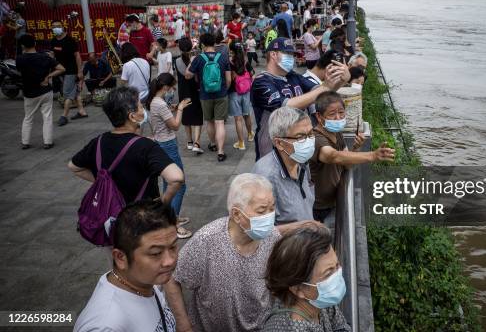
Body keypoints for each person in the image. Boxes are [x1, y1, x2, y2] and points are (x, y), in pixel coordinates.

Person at [165, 173, 320, 332]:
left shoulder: (271, 237)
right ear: (237, 214)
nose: (269, 216)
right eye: (261, 211)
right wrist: (183, 323)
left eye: (272, 208)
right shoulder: (206, 241)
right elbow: (172, 277)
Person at [74, 200, 178, 332]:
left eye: (173, 247)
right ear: (120, 258)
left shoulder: (145, 280)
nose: (169, 261)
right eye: (156, 253)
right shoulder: (105, 326)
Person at [69, 86, 184, 205]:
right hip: (143, 214)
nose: (143, 110)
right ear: (132, 117)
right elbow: (176, 178)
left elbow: (74, 167)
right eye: (140, 107)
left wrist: (109, 183)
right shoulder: (146, 146)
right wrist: (163, 203)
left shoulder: (98, 142)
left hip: (112, 213)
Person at [250, 37, 348, 160]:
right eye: (288, 54)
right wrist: (325, 87)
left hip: (297, 144)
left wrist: (342, 80)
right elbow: (285, 107)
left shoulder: (293, 76)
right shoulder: (261, 82)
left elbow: (320, 93)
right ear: (273, 54)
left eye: (293, 54)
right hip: (272, 149)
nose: (292, 58)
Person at [310, 92, 395, 225]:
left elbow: (346, 164)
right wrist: (372, 155)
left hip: (333, 200)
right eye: (332, 114)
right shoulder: (316, 138)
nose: (338, 117)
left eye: (341, 112)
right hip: (318, 207)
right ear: (319, 117)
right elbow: (332, 156)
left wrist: (356, 148)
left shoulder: (336, 133)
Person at [263, 226, 351, 331]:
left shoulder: (318, 300)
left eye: (337, 265)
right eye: (328, 273)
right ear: (298, 289)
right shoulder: (290, 327)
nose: (337, 275)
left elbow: (341, 327)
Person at [145, 72, 193, 239]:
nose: (173, 90)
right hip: (168, 145)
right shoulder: (159, 104)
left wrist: (171, 108)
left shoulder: (155, 101)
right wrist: (179, 109)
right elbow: (175, 126)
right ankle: (174, 223)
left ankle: (170, 217)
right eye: (172, 87)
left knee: (169, 183)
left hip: (162, 143)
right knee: (179, 184)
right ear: (165, 87)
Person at [252, 106, 316, 224]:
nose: (309, 141)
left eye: (311, 134)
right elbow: (262, 230)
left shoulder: (301, 161)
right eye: (300, 137)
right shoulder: (266, 178)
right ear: (279, 143)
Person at [185, 33, 232, 162]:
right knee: (220, 122)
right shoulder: (222, 57)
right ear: (214, 43)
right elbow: (228, 80)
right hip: (221, 93)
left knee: (210, 121)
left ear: (203, 44)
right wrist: (224, 90)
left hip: (205, 95)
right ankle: (221, 151)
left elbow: (187, 75)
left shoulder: (199, 58)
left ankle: (212, 143)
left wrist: (192, 61)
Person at [15, 34, 65, 150]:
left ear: (22, 46)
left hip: (29, 93)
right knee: (47, 117)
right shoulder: (45, 57)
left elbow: (19, 70)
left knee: (28, 117)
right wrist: (48, 76)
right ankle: (48, 142)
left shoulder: (20, 59)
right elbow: (62, 69)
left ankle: (25, 142)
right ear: (35, 44)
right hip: (45, 91)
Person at [50, 19, 88, 126]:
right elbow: (53, 55)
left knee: (67, 94)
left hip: (71, 71)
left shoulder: (70, 40)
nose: (55, 28)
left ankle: (64, 116)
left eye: (58, 26)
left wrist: (80, 71)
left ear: (62, 27)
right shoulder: (53, 41)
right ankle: (81, 111)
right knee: (74, 92)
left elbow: (77, 56)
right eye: (53, 27)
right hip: (60, 71)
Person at [176, 37, 204, 154]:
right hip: (195, 90)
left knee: (186, 116)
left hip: (183, 91)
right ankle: (197, 142)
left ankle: (189, 142)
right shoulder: (196, 59)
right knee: (197, 116)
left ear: (180, 48)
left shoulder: (177, 61)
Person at [228, 42, 255, 151]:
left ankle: (241, 143)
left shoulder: (230, 62)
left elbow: (229, 78)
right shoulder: (245, 61)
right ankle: (249, 134)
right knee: (247, 114)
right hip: (246, 91)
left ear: (231, 50)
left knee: (238, 119)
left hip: (235, 92)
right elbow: (252, 73)